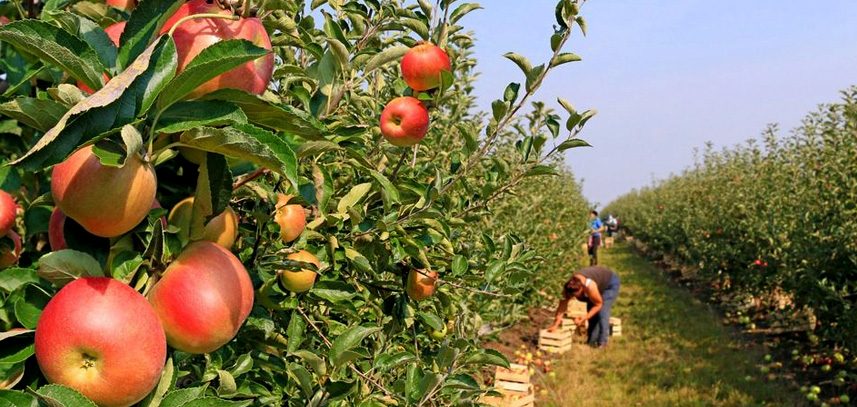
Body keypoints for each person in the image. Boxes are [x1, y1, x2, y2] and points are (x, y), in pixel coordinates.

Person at [547, 266, 621, 347]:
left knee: (602, 312)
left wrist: (584, 318)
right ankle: (591, 341)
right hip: (597, 285)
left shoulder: (589, 286)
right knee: (591, 313)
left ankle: (602, 342)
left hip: (609, 284)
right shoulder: (569, 287)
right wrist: (555, 325)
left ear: (582, 288)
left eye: (576, 295)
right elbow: (561, 308)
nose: (574, 297)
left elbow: (598, 304)